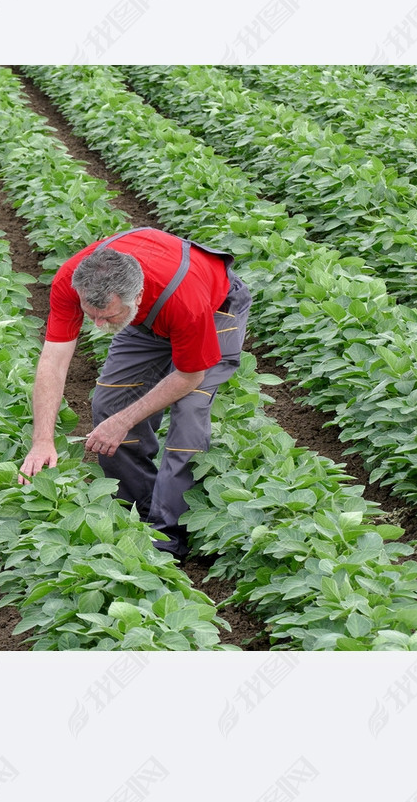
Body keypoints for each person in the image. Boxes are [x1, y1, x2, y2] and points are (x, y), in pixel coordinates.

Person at [19, 227, 252, 561]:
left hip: (213, 310)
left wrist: (123, 422)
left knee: (188, 416)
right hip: (147, 320)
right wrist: (42, 440)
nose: (97, 325)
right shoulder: (72, 280)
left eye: (107, 317)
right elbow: (53, 361)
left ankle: (167, 537)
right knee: (110, 403)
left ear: (136, 296)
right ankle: (135, 510)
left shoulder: (185, 301)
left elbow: (189, 376)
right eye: (91, 314)